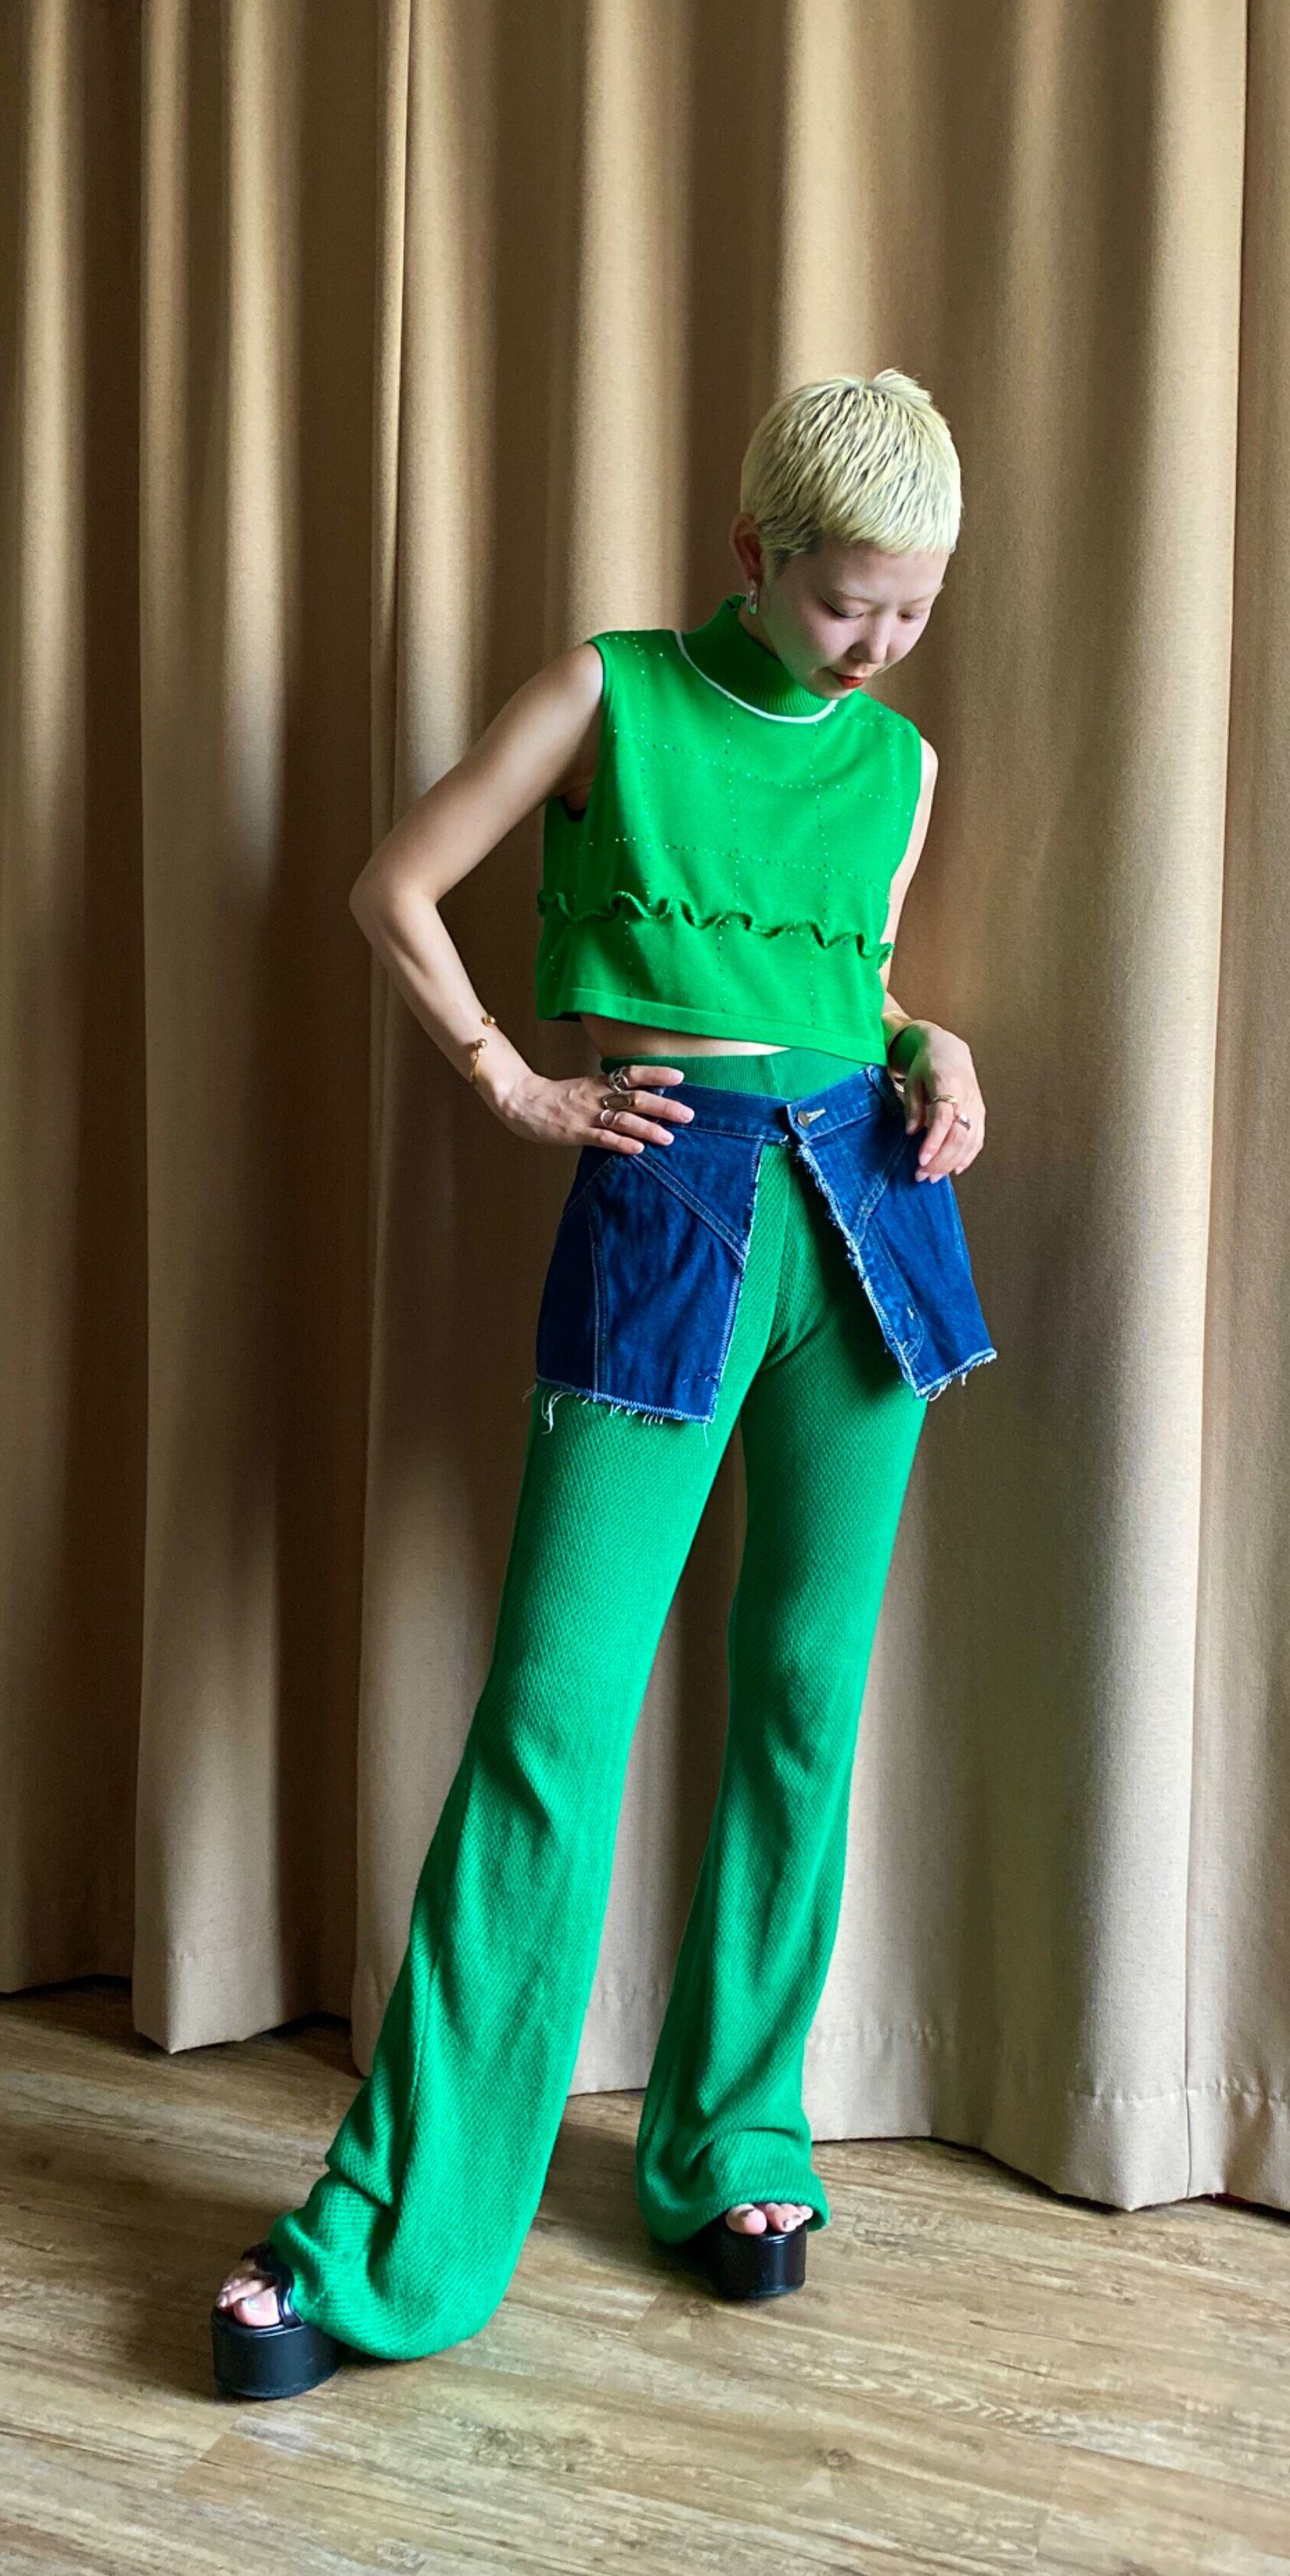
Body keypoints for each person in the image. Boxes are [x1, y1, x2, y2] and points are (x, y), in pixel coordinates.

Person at [210, 369, 996, 2401]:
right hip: (671, 1209)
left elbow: (852, 985)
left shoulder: (901, 765)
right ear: (756, 553)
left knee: (804, 1699)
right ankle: (389, 2245)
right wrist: (510, 1082)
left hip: (870, 1224)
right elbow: (395, 887)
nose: (879, 643)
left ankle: (740, 2140)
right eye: (847, 602)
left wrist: (938, 1053)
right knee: (552, 1719)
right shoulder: (608, 692)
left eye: (913, 609)